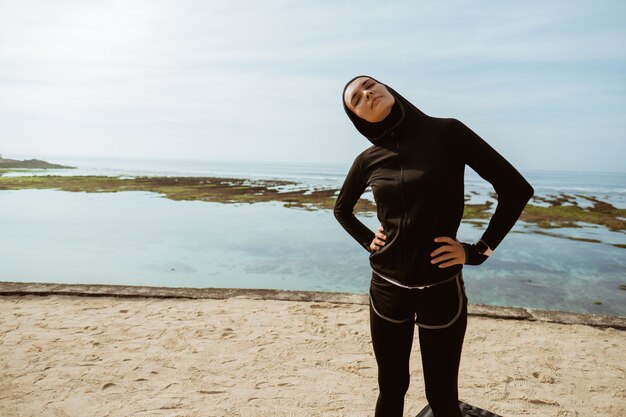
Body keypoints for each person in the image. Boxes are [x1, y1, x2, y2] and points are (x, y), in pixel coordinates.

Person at [334, 75, 534, 417]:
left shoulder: (447, 133)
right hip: (386, 288)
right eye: (356, 99)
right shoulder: (369, 159)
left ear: (387, 89)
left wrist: (477, 251)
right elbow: (342, 210)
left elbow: (516, 189)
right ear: (358, 118)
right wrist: (370, 240)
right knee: (392, 387)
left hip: (441, 288)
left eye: (370, 85)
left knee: (441, 395)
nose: (366, 94)